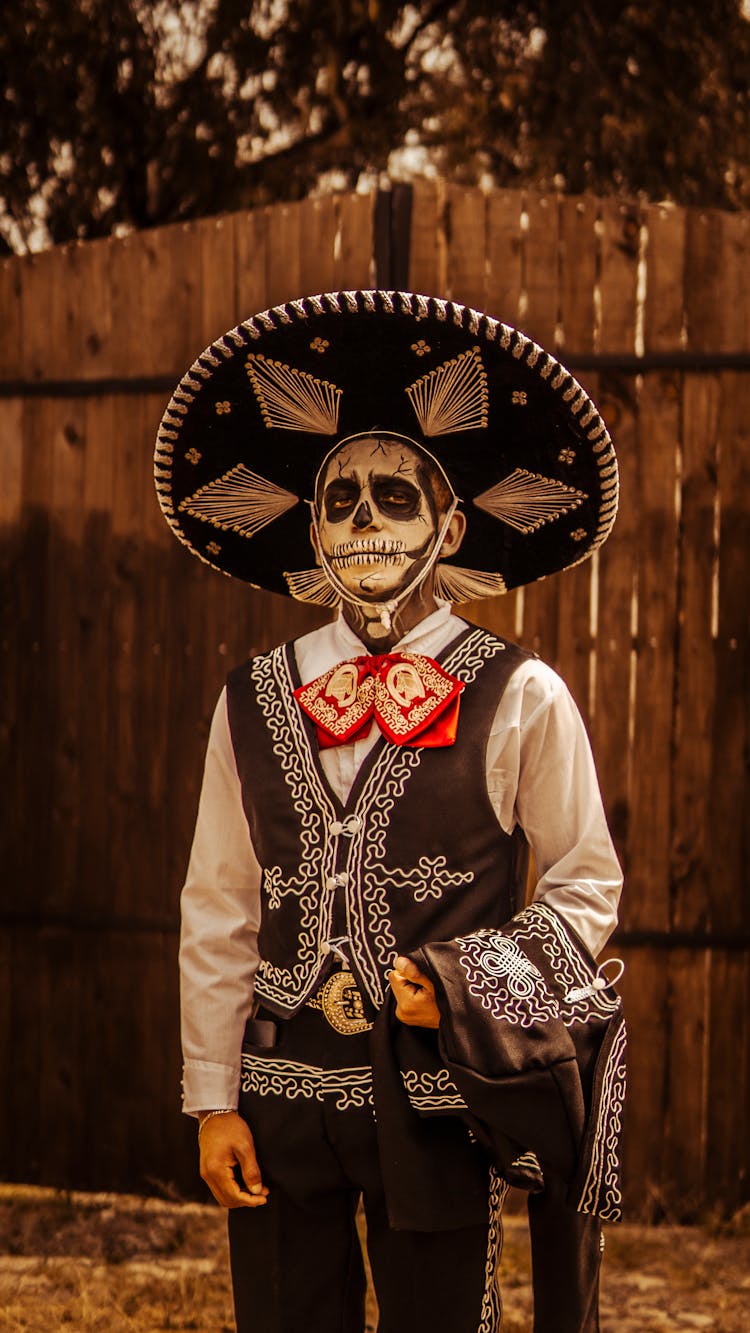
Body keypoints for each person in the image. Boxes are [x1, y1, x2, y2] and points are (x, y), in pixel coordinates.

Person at [154, 289, 623, 1333]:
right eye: (341, 500)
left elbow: (590, 882)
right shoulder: (251, 696)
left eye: (395, 498)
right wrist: (212, 1099)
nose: (364, 523)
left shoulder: (521, 694)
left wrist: (469, 983)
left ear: (449, 526)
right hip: (279, 1098)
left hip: (440, 1101)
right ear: (311, 531)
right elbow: (220, 904)